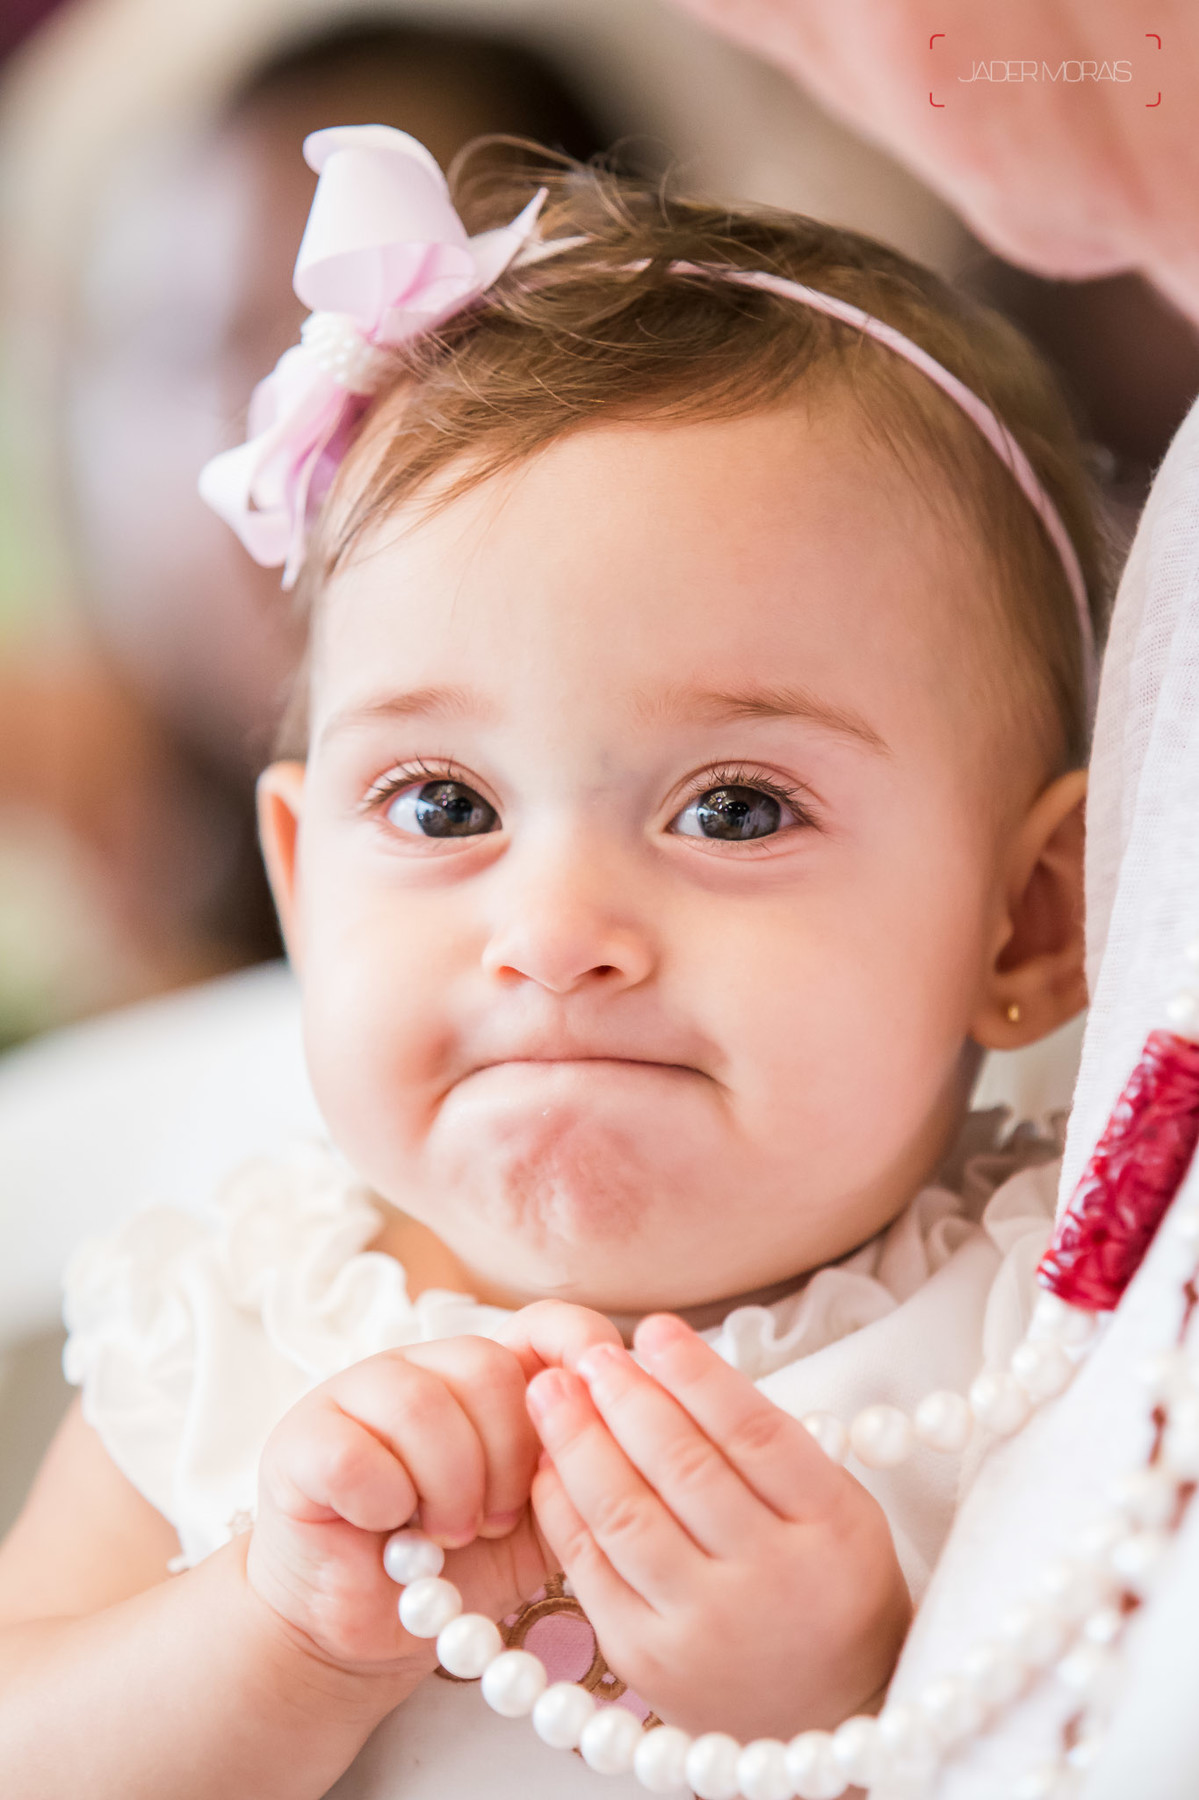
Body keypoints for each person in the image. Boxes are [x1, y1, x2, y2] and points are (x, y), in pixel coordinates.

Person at [0, 126, 1107, 1796]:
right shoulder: (233, 1315)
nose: (558, 934)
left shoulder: (1049, 1342)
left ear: (1026, 919)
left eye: (736, 808)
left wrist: (847, 1690)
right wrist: (277, 1641)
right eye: (442, 801)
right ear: (305, 889)